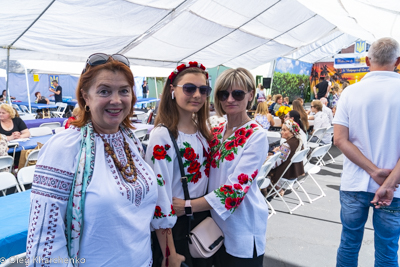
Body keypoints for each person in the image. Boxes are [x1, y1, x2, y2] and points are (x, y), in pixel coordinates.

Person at [26, 53, 162, 267]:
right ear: (85, 97)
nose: (116, 100)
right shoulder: (65, 147)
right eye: (104, 91)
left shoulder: (131, 140)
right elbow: (45, 243)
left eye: (124, 91)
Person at [173, 68, 269, 267]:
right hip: (213, 226)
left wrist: (187, 206)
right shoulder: (216, 129)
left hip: (242, 226)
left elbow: (234, 191)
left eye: (238, 93)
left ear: (251, 95)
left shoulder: (256, 135)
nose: (230, 99)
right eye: (224, 94)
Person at [334, 37, 400, 267]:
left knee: (349, 244)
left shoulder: (351, 92)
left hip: (355, 184)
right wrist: (389, 183)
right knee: (387, 251)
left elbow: (340, 140)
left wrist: (372, 171)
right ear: (398, 61)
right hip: (395, 189)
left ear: (366, 60)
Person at [145, 61, 211, 267]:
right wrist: (168, 252)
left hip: (200, 221)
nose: (197, 95)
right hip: (176, 230)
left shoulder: (201, 129)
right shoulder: (162, 135)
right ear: (173, 90)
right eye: (189, 88)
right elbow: (159, 196)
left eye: (203, 89)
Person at [263, 119, 304, 198]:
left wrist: (267, 159)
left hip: (284, 175)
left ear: (292, 132)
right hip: (293, 173)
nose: (281, 132)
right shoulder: (299, 141)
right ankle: (273, 189)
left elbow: (275, 164)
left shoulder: (287, 145)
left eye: (284, 130)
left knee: (263, 167)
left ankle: (265, 191)